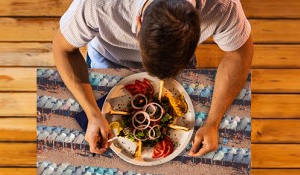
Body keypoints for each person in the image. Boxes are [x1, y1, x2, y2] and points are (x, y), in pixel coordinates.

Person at [53, 0, 254, 155]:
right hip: (108, 61)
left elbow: (239, 54)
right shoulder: (96, 4)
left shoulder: (222, 6)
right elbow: (62, 49)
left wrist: (213, 122)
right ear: (138, 23)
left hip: (180, 70)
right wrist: (92, 113)